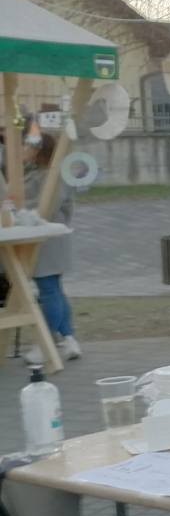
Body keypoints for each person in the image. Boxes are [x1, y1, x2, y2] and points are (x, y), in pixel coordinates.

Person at [21, 128, 80, 363]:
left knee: (48, 290)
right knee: (54, 289)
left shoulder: (53, 175)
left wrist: (19, 210)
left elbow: (48, 206)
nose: (24, 150)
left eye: (28, 146)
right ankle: (68, 339)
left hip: (49, 240)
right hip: (47, 239)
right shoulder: (35, 172)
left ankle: (45, 343)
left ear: (39, 150)